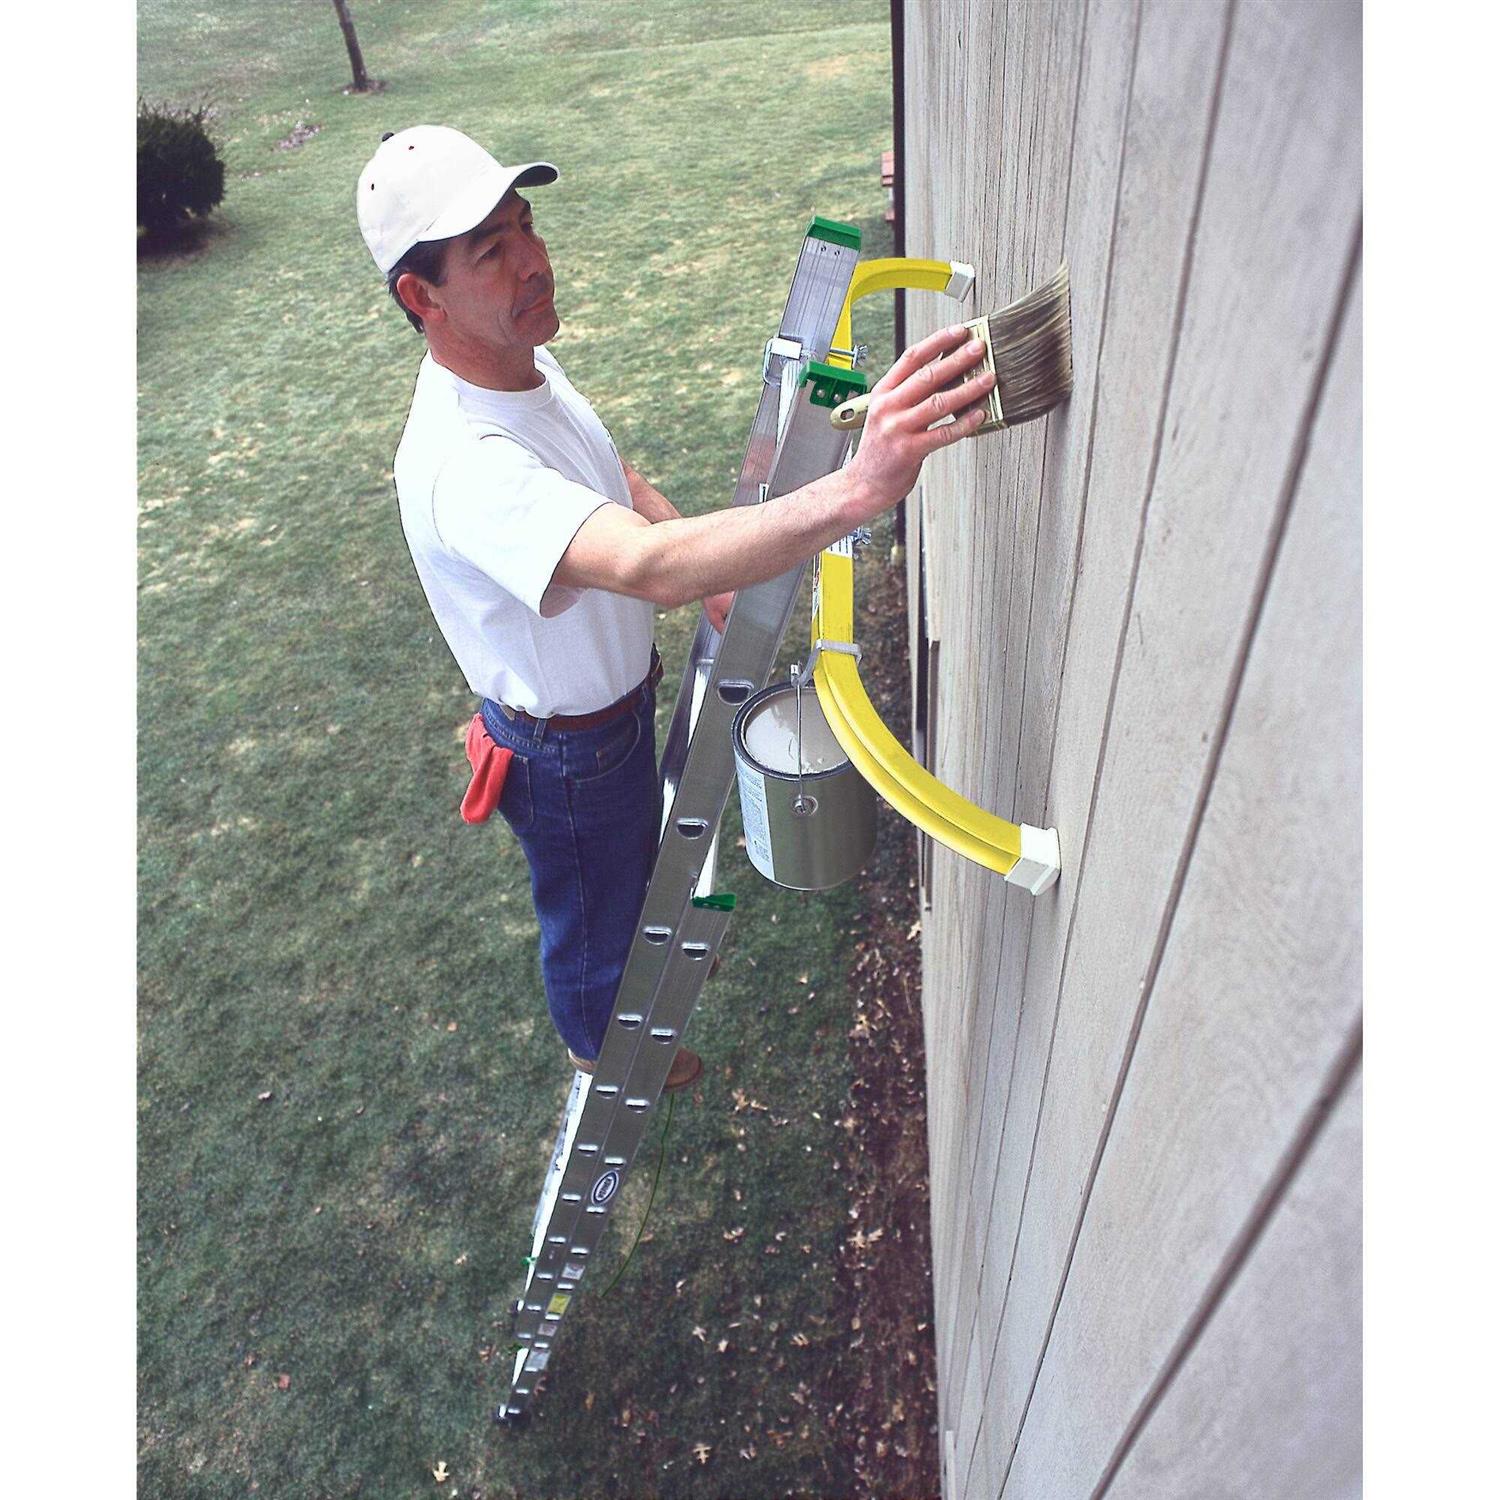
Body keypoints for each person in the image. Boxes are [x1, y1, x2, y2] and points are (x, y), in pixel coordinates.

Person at [356, 126, 994, 1091]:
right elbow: (647, 567)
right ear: (421, 296)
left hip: (608, 712)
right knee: (591, 916)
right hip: (564, 754)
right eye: (490, 251)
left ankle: (628, 978)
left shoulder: (518, 360)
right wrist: (859, 489)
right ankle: (598, 1045)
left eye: (525, 225)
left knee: (627, 869)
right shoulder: (464, 465)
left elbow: (609, 479)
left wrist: (704, 561)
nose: (533, 260)